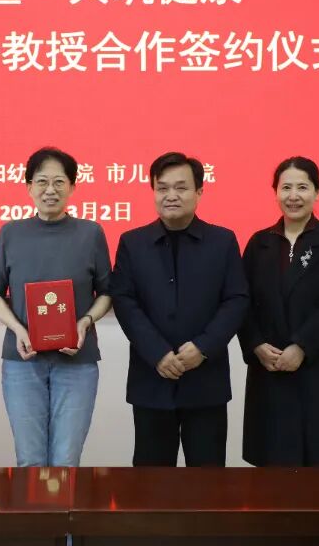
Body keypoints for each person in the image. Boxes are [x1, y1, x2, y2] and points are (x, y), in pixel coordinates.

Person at [110, 151, 249, 466]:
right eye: (162, 188)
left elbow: (237, 299)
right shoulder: (133, 242)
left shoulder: (222, 241)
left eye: (181, 187)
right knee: (151, 481)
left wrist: (203, 347)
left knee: (208, 479)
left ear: (199, 191)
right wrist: (157, 352)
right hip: (152, 379)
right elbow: (124, 300)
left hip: (206, 381)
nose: (171, 195)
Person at [0, 147, 112, 467]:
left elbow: (107, 293)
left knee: (66, 461)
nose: (50, 190)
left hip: (77, 362)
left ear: (72, 186)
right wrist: (18, 330)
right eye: (41, 181)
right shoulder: (11, 233)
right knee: (30, 460)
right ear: (29, 187)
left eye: (59, 182)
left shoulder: (91, 233)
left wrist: (84, 322)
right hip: (23, 361)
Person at [239, 156, 319, 466]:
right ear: (275, 192)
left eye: (302, 187)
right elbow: (242, 302)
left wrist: (302, 346)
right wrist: (256, 344)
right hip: (270, 369)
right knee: (274, 468)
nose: (293, 196)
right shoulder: (259, 244)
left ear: (317, 192)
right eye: (286, 188)